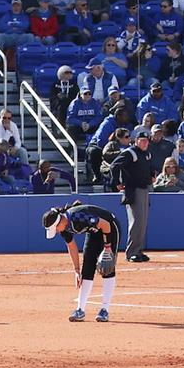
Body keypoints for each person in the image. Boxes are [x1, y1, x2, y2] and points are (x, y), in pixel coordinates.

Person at [44, 197, 122, 322]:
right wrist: (76, 270)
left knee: (107, 267)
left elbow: (105, 224)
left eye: (56, 229)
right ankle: (80, 309)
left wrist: (107, 248)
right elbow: (72, 247)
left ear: (60, 222)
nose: (57, 232)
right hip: (94, 233)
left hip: (109, 229)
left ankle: (105, 310)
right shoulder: (64, 229)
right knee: (87, 268)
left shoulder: (77, 217)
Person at [108, 127, 155, 263]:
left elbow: (150, 166)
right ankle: (132, 252)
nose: (145, 143)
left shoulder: (146, 154)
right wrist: (116, 182)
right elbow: (114, 166)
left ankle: (138, 251)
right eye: (142, 140)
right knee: (136, 222)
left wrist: (152, 175)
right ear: (136, 141)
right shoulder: (130, 153)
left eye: (146, 141)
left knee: (142, 222)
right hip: (133, 190)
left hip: (144, 189)